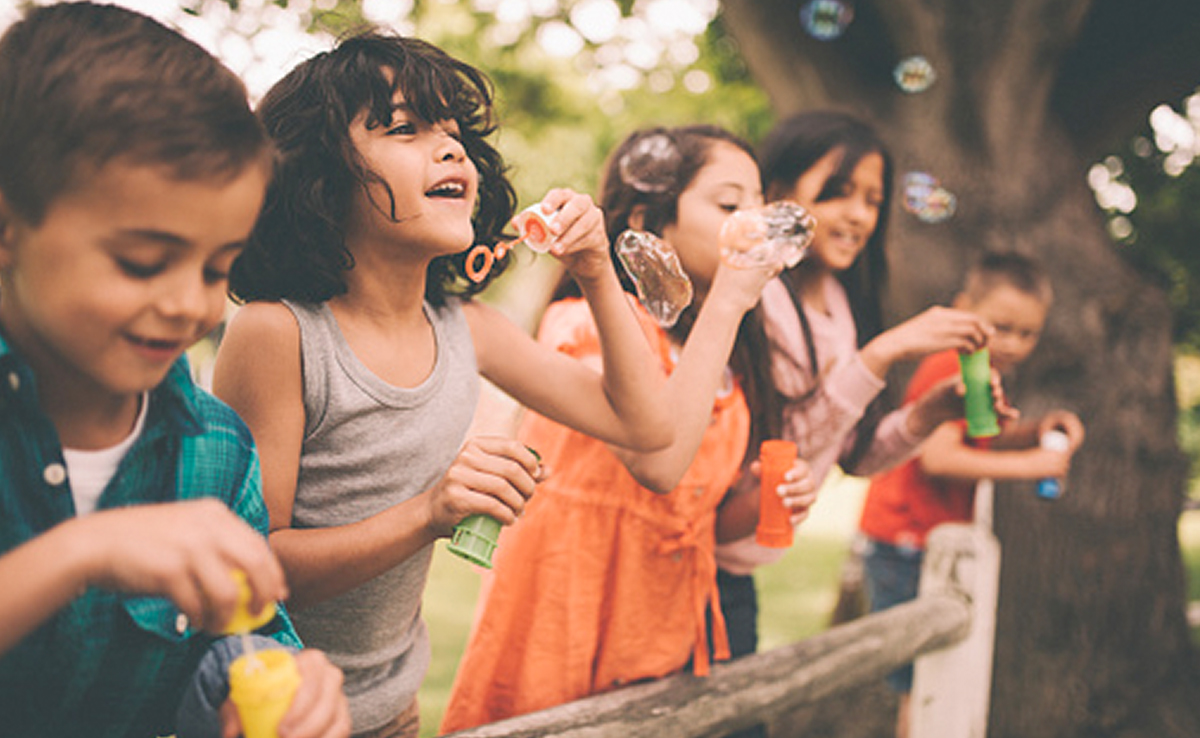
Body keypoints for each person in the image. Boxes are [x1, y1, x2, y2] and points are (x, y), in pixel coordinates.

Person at [211, 31, 673, 737]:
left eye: (455, 134)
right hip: (277, 713)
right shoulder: (280, 334)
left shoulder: (465, 326)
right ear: (318, 175)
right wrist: (430, 512)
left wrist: (595, 269)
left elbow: (644, 426)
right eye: (403, 128)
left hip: (395, 710)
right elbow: (252, 568)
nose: (452, 149)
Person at [0, 4, 348, 737]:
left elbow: (240, 634)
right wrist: (79, 553)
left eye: (218, 267)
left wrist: (284, 688)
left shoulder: (217, 449)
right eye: (143, 263)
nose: (191, 304)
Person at [440, 124, 819, 733]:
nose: (754, 222)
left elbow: (697, 514)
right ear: (648, 220)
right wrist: (727, 301)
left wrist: (763, 502)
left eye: (758, 203)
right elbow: (658, 465)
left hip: (666, 635)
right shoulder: (583, 326)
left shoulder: (717, 357)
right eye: (729, 204)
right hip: (568, 620)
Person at [714, 110, 1002, 667]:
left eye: (872, 200)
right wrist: (880, 355)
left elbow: (855, 453)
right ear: (775, 193)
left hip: (740, 574)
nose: (858, 216)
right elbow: (781, 446)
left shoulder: (847, 306)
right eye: (837, 193)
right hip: (702, 559)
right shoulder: (755, 299)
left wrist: (931, 412)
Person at [859, 250, 1084, 738]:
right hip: (906, 540)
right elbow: (939, 458)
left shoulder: (981, 366)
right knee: (921, 686)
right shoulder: (951, 364)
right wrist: (1031, 465)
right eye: (1002, 326)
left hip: (928, 541)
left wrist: (1034, 433)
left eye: (1028, 334)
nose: (1015, 343)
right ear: (964, 309)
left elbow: (974, 437)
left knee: (937, 677)